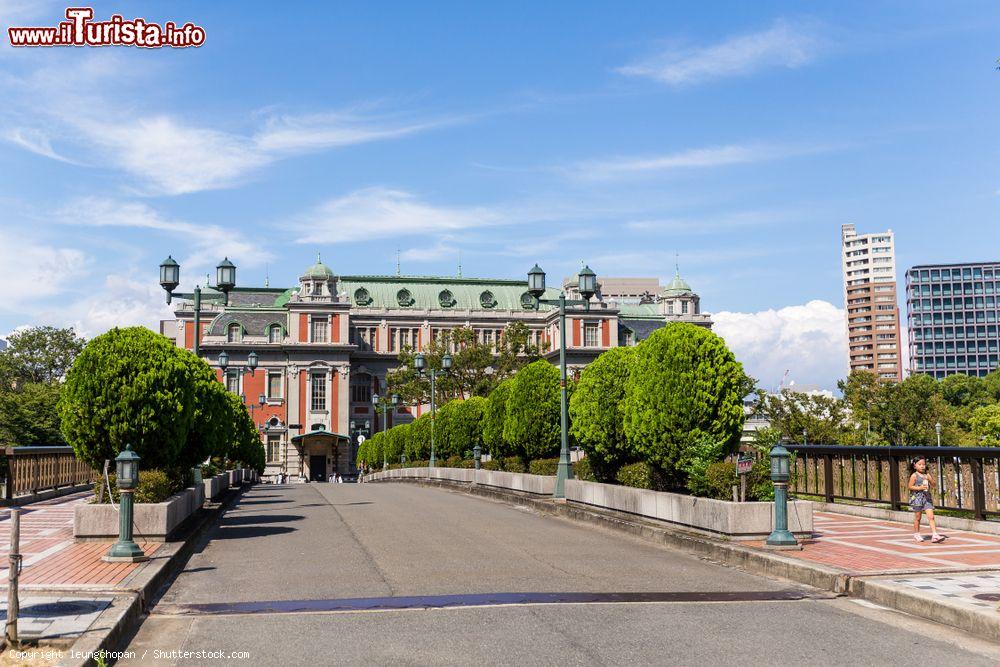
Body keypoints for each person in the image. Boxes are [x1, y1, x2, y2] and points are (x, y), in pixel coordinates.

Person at [908, 457, 946, 543]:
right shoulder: (914, 475)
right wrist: (920, 487)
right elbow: (910, 486)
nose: (922, 466)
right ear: (914, 466)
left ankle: (935, 535)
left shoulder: (926, 475)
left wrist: (930, 480)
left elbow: (934, 484)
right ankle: (917, 534)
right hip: (917, 498)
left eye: (923, 464)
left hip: (927, 498)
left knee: (931, 517)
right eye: (920, 464)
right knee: (918, 517)